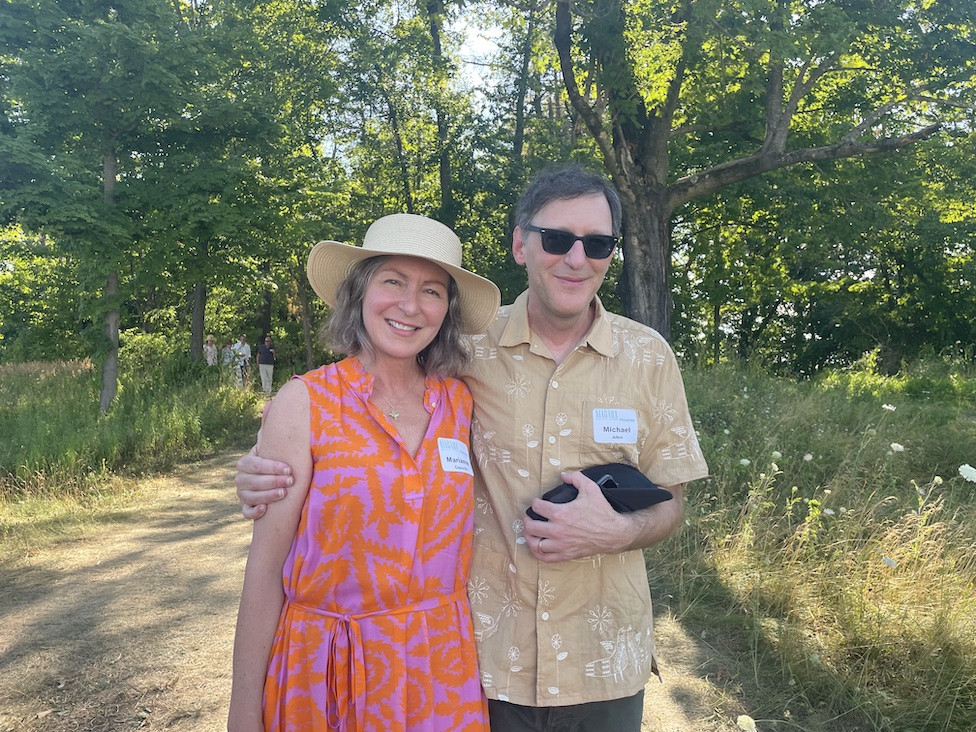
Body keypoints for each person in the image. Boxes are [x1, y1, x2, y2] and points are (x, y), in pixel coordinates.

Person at [236, 165, 709, 731]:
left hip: (596, 661)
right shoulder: (466, 355)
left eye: (598, 243)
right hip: (483, 665)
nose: (576, 258)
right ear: (521, 244)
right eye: (557, 239)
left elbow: (672, 500)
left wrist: (621, 531)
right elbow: (328, 471)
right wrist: (262, 472)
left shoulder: (646, 357)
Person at [226, 213, 499, 731]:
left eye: (432, 291)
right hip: (329, 671)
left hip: (438, 670)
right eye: (392, 281)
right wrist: (243, 713)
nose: (410, 305)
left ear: (447, 310)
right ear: (359, 291)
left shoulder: (461, 403)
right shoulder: (305, 402)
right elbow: (264, 573)